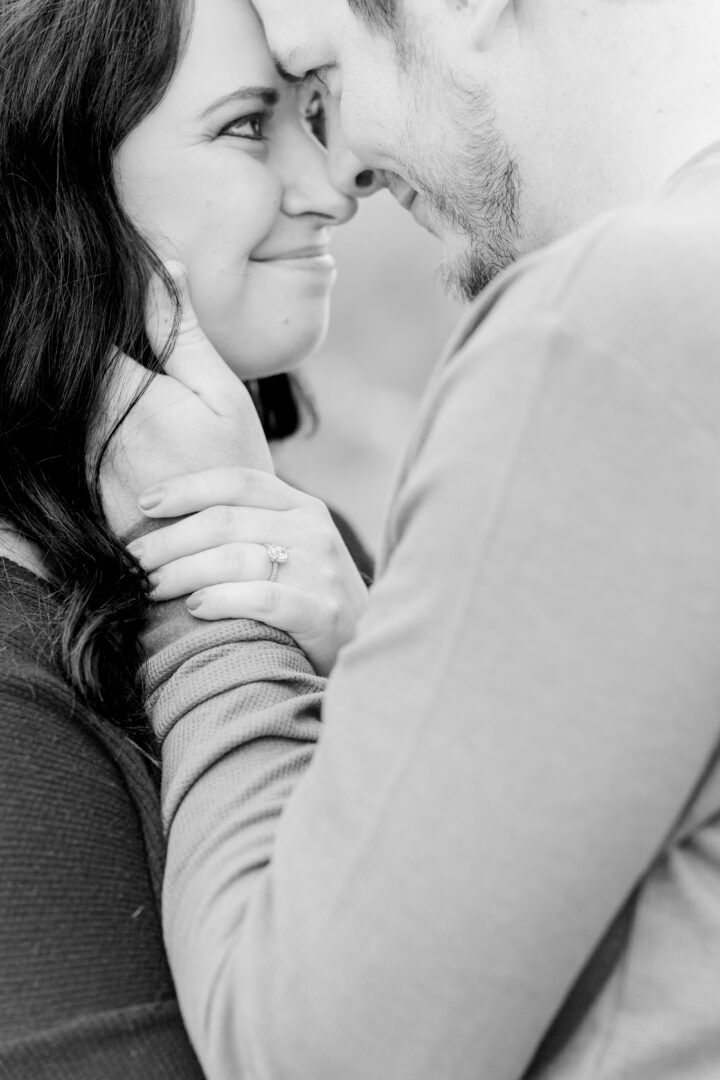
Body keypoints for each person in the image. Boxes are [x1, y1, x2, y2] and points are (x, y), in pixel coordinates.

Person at [103, 1, 720, 1078]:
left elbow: (315, 1058)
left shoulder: (608, 323)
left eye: (324, 81)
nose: (342, 173)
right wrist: (394, 657)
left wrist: (210, 562)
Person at [0, 0, 375, 1073]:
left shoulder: (314, 546)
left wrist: (374, 655)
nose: (332, 185)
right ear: (57, 177)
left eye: (318, 115)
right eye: (250, 126)